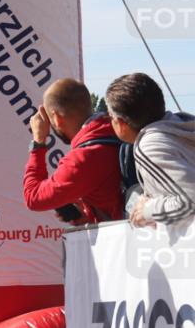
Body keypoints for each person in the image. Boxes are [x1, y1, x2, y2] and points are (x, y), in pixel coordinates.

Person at [23, 78, 124, 224]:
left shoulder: (83, 158)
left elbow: (33, 197)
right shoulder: (118, 131)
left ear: (57, 118)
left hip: (127, 242)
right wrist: (89, 216)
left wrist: (38, 143)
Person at [104, 72, 195, 227]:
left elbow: (190, 199)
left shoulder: (149, 145)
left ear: (121, 123)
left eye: (110, 117)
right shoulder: (183, 125)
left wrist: (148, 210)